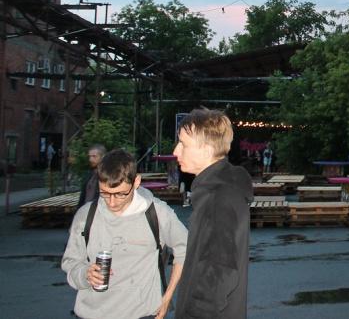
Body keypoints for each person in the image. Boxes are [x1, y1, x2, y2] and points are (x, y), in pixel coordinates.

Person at [61, 149, 187, 319]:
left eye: (120, 194)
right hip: (92, 314)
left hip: (143, 314)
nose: (112, 203)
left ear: (136, 182)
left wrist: (168, 296)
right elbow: (71, 262)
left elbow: (185, 249)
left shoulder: (157, 213)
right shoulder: (85, 216)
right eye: (105, 193)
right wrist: (84, 274)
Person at [173, 108, 254, 318]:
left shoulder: (220, 198)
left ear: (206, 150)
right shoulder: (217, 191)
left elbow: (221, 270)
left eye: (183, 144)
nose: (176, 151)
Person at [77, 144, 106, 209]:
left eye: (94, 156)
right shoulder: (89, 175)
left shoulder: (107, 176)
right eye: (89, 156)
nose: (90, 159)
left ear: (103, 157)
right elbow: (83, 197)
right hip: (85, 210)